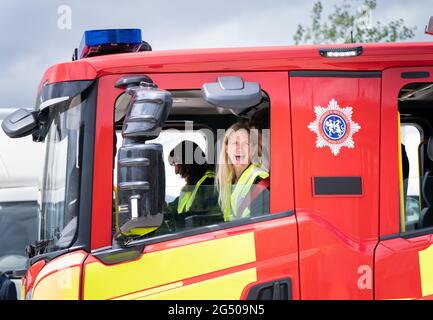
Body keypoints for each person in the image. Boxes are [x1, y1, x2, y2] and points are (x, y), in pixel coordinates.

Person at [216, 122, 270, 222]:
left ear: (253, 150)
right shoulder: (228, 181)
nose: (239, 149)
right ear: (226, 149)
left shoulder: (261, 179)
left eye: (245, 144)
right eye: (234, 143)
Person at [165, 141, 220, 230]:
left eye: (176, 164)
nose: (176, 171)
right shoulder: (190, 189)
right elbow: (173, 209)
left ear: (188, 163)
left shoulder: (208, 184)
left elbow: (197, 217)